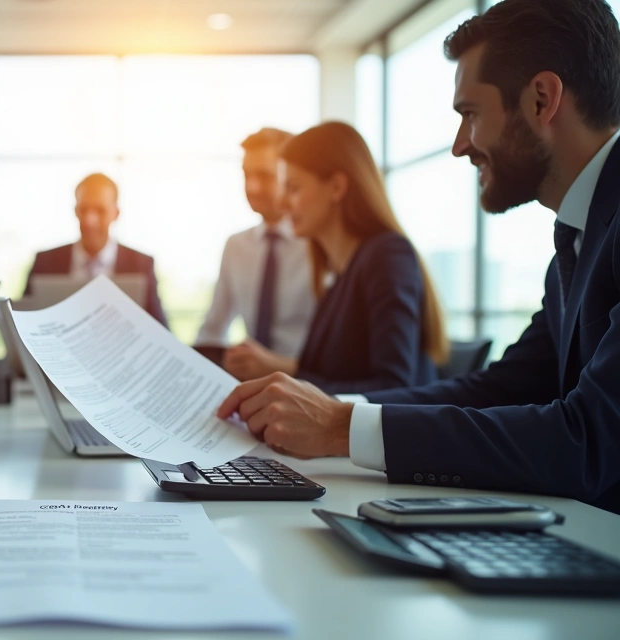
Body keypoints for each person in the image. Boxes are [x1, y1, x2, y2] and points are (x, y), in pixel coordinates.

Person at [217, 0, 620, 514]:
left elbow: (589, 441)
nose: (459, 146)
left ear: (542, 100)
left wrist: (343, 427)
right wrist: (337, 415)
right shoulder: (576, 241)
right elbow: (504, 388)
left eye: (470, 115)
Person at [221, 122, 449, 394]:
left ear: (337, 187)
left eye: (293, 188)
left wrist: (280, 372)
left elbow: (392, 388)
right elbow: (322, 375)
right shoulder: (336, 272)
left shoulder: (386, 256)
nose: (282, 204)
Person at [197, 128, 316, 359]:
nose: (251, 187)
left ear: (290, 175)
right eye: (246, 175)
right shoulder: (235, 246)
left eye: (264, 175)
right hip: (252, 381)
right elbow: (213, 328)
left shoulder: (317, 245)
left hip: (309, 385)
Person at [22, 173, 169, 327]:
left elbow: (160, 329)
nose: (89, 220)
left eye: (100, 210)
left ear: (116, 214)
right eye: (83, 209)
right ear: (75, 211)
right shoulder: (45, 262)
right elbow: (23, 324)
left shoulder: (141, 265)